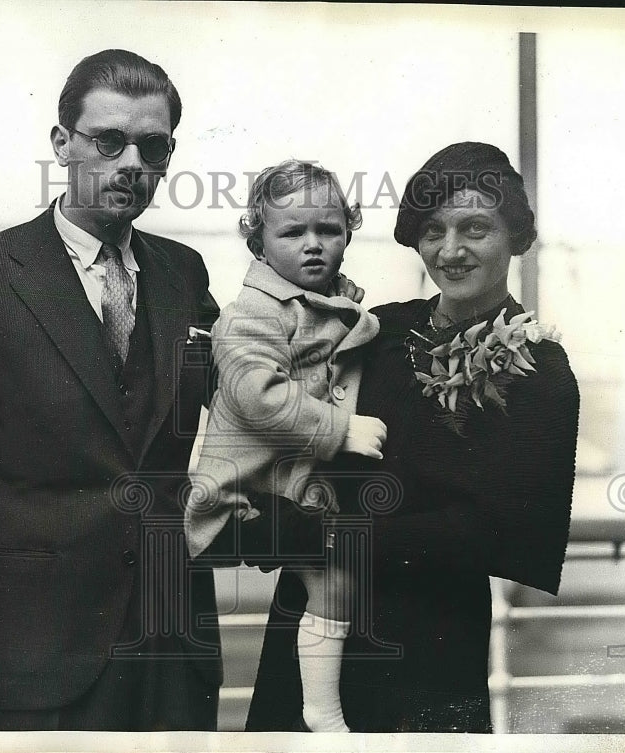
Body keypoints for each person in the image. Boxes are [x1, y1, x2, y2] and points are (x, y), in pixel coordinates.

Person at [0, 49, 224, 731]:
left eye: (153, 145)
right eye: (109, 140)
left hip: (171, 653)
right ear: (61, 144)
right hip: (36, 660)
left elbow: (240, 398)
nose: (132, 163)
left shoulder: (182, 273)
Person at [244, 142, 580, 732]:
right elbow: (288, 420)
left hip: (431, 645)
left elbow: (511, 532)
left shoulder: (541, 372)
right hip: (311, 626)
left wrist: (334, 534)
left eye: (475, 228)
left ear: (515, 236)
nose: (450, 251)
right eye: (433, 231)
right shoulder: (379, 330)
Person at [184, 160, 387, 732]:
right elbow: (256, 395)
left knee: (342, 571)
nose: (313, 245)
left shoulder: (322, 302)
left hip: (287, 484)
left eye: (328, 229)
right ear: (258, 240)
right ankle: (323, 714)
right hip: (239, 492)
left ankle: (320, 707)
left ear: (349, 230)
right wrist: (340, 429)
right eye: (292, 232)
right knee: (337, 574)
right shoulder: (254, 311)